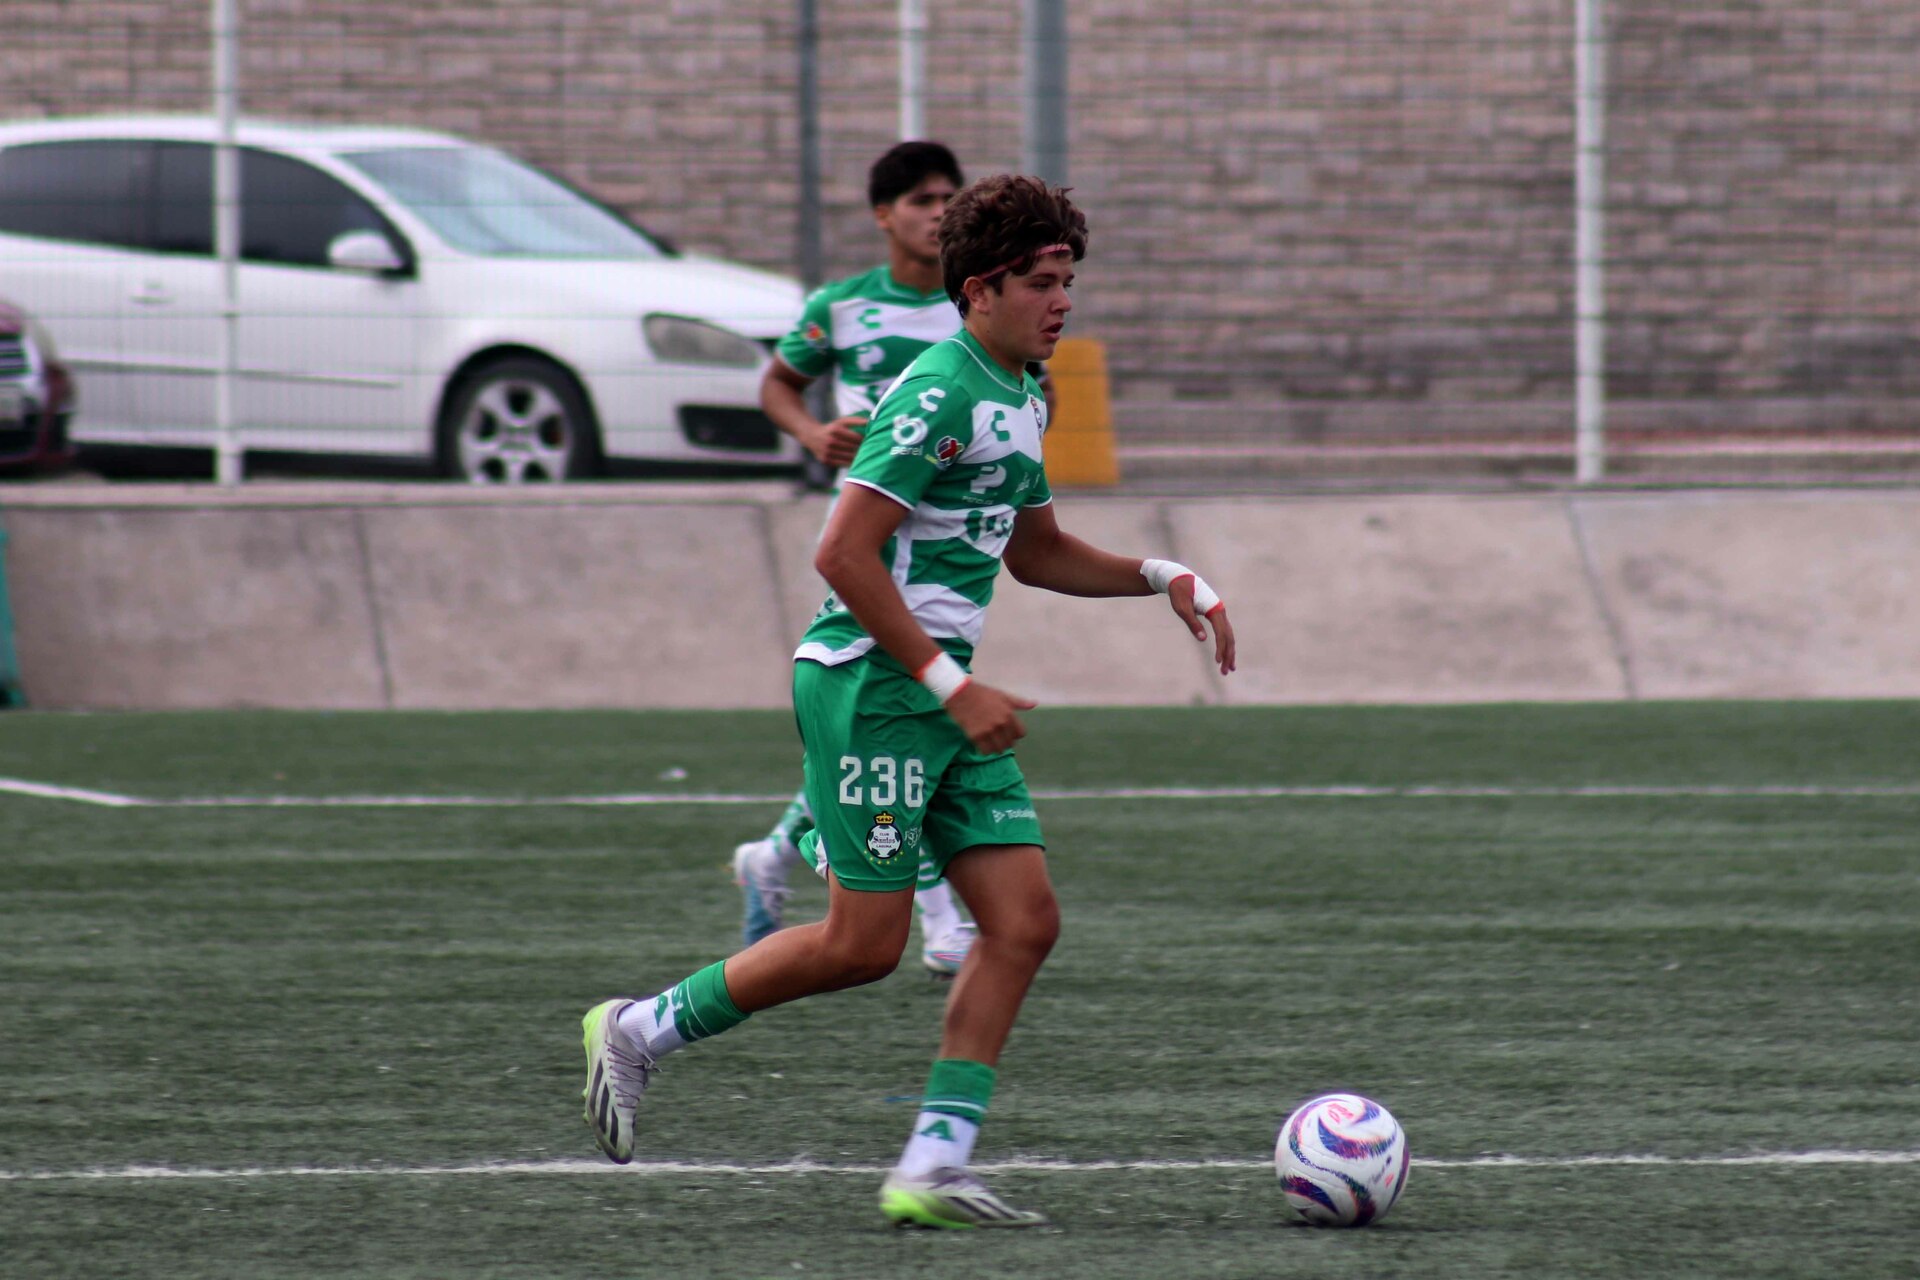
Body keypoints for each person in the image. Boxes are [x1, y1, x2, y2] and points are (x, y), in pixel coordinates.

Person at [582, 174, 1236, 1229]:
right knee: (863, 945)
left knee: (1022, 923)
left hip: (938, 691)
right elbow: (841, 551)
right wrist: (949, 683)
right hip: (873, 685)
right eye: (1041, 282)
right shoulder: (939, 393)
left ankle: (931, 1166)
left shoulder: (1022, 391)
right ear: (981, 290)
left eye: (1067, 280)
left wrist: (1164, 575)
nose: (1062, 301)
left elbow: (1035, 551)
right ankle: (639, 1027)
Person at [734, 141, 978, 975]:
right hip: (870, 539)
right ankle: (941, 919)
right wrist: (812, 434)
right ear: (883, 215)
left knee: (887, 719)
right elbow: (776, 384)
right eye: (921, 200)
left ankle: (775, 855)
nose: (938, 212)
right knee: (908, 706)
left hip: (947, 540)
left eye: (949, 197)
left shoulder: (977, 304)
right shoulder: (841, 307)